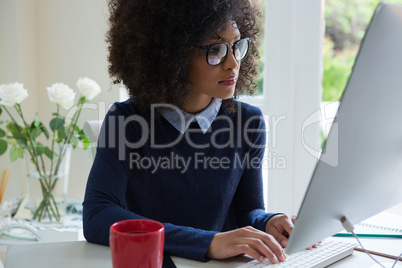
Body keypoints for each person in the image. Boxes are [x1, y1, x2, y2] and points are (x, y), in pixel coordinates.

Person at [83, 0, 296, 265]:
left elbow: (247, 210)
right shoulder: (127, 121)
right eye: (215, 49)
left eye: (237, 46)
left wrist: (268, 222)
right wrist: (208, 242)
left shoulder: (248, 122)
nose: (232, 63)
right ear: (172, 53)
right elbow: (97, 215)